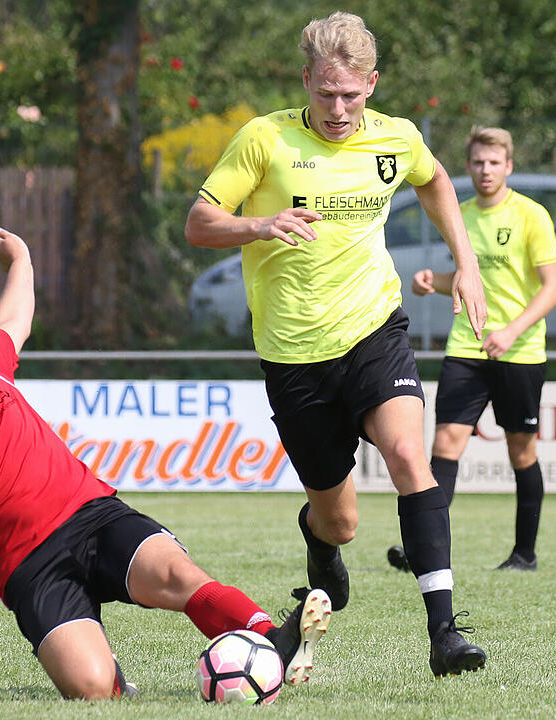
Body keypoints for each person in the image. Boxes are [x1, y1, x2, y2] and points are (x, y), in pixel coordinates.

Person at [0, 227, 333, 698]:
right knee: (92, 689)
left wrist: (21, 260)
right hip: (30, 567)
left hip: (94, 517)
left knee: (179, 576)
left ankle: (274, 640)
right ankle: (110, 673)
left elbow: (13, 318)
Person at [185, 12, 488, 677]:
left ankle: (444, 634)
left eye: (350, 94)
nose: (338, 109)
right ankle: (321, 551)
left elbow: (435, 180)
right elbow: (200, 223)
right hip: (294, 356)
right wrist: (261, 224)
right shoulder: (264, 139)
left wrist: (465, 263)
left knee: (409, 454)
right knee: (339, 522)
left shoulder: (396, 138)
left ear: (371, 85)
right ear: (306, 81)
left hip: (374, 329)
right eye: (325, 93)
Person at [387, 126, 556, 573]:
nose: (486, 170)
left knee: (521, 451)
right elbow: (467, 279)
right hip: (467, 345)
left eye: (494, 162)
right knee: (445, 443)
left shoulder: (531, 216)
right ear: (468, 167)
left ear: (509, 166)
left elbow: (553, 288)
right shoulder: (460, 215)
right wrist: (434, 282)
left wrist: (512, 331)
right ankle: (423, 550)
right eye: (479, 162)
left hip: (519, 352)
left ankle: (524, 554)